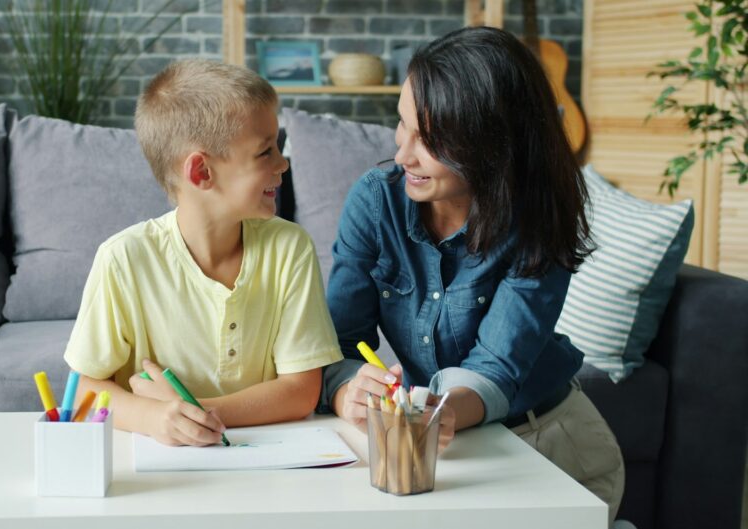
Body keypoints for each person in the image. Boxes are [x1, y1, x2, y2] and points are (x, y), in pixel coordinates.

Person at [320, 27, 625, 521]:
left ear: (493, 145)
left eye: (431, 140)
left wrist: (439, 411)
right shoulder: (377, 200)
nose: (402, 155)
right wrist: (346, 390)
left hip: (547, 441)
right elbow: (339, 341)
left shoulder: (536, 217)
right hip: (442, 443)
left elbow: (496, 369)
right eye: (402, 126)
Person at [65, 59, 343, 447]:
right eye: (266, 152)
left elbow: (301, 391)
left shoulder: (289, 248)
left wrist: (196, 413)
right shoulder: (124, 259)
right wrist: (153, 417)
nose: (283, 163)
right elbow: (82, 389)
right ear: (202, 173)